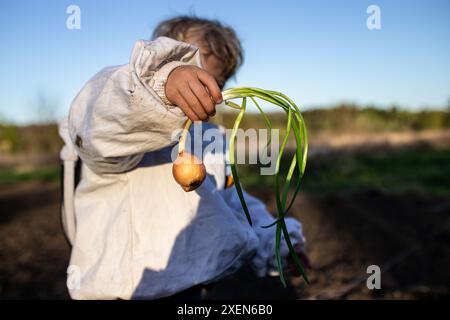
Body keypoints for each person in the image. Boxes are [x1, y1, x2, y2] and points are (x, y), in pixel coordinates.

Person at [62, 16, 309, 300]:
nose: (196, 89)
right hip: (125, 291)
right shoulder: (126, 119)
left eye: (211, 82)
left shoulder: (210, 137)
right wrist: (160, 87)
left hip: (192, 287)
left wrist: (277, 244)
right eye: (187, 72)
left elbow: (230, 202)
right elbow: (100, 124)